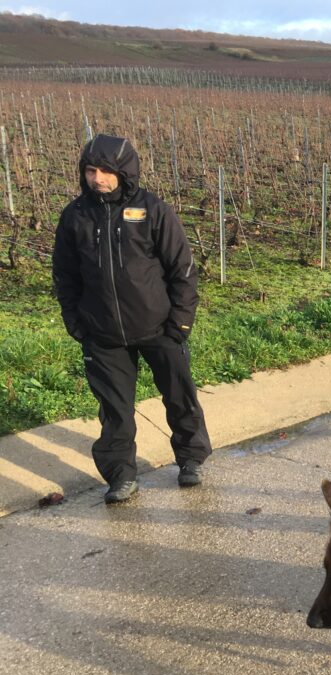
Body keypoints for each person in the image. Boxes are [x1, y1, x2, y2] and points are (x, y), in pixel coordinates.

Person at [52, 134, 212, 504]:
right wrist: (76, 323)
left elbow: (183, 270)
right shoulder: (75, 216)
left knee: (180, 397)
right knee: (114, 412)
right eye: (91, 170)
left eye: (106, 170)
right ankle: (121, 476)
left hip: (160, 328)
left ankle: (190, 460)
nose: (98, 178)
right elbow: (65, 275)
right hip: (103, 334)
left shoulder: (153, 210)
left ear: (124, 172)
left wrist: (180, 324)